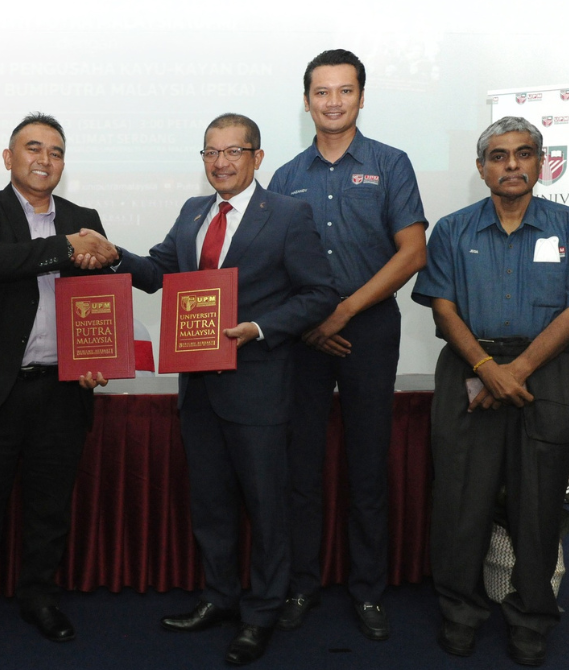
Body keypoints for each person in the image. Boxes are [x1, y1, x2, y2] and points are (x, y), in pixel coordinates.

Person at [103, 113, 337, 665]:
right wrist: (112, 253)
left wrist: (259, 329)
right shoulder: (192, 213)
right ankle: (219, 597)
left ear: (257, 158)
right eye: (211, 153)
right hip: (199, 389)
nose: (221, 163)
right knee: (209, 503)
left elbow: (319, 294)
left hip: (257, 385)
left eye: (234, 152)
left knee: (266, 506)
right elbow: (159, 271)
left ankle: (260, 615)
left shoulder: (287, 213)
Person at [412, 116, 569, 667]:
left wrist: (514, 370)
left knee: (539, 502)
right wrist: (484, 366)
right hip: (468, 367)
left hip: (545, 372)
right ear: (481, 168)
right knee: (460, 501)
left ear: (541, 163)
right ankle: (460, 612)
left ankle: (531, 616)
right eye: (498, 156)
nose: (512, 164)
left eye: (523, 153)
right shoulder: (451, 229)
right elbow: (443, 307)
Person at [0, 113, 117, 650]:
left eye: (56, 151)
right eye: (32, 148)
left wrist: (98, 354)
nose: (44, 159)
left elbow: (97, 300)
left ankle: (40, 597)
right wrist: (67, 246)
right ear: (8, 157)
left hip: (62, 391)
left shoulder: (86, 216)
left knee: (50, 507)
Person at [267, 48, 427, 640]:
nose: (333, 102)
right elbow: (272, 265)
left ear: (362, 96)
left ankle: (368, 591)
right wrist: (313, 323)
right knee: (301, 468)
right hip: (304, 335)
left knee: (366, 467)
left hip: (369, 329)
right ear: (306, 100)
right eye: (321, 92)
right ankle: (302, 584)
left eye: (345, 91)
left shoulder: (391, 164)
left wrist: (344, 314)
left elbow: (413, 252)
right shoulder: (285, 177)